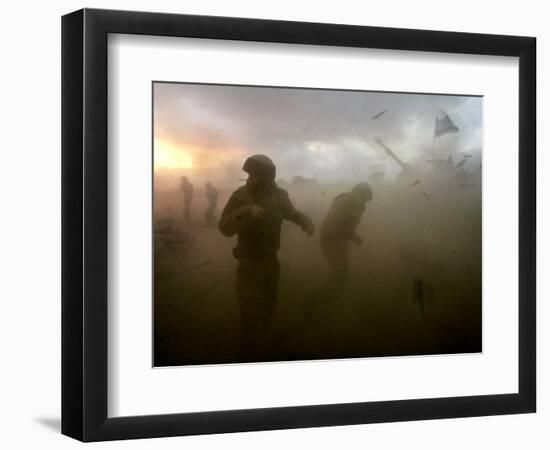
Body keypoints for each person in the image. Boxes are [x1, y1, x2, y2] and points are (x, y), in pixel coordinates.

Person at [218, 154, 315, 359]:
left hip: (271, 260)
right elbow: (224, 227)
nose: (249, 179)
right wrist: (246, 211)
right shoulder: (240, 196)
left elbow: (290, 213)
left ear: (267, 177)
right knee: (247, 308)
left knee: (270, 303)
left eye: (254, 175)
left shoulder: (279, 196)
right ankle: (245, 352)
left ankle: (264, 343)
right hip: (248, 263)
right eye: (249, 175)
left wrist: (304, 220)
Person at [320, 182, 373, 292]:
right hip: (336, 239)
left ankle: (323, 298)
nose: (366, 202)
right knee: (341, 274)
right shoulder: (358, 203)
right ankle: (320, 300)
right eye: (367, 199)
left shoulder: (342, 197)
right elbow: (347, 227)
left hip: (325, 235)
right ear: (365, 193)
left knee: (336, 270)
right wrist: (358, 241)